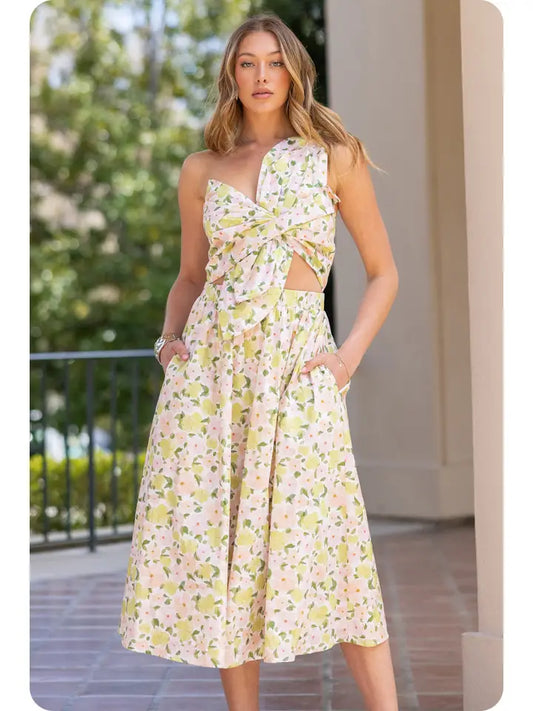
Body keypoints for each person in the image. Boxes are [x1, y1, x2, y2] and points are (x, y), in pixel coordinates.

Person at [118, 11, 399, 711]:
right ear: (231, 75)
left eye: (274, 62)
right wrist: (169, 343)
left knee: (338, 547)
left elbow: (383, 272)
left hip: (297, 370)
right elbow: (190, 277)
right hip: (212, 379)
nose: (262, 75)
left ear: (294, 72)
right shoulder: (201, 169)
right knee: (225, 553)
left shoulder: (333, 155)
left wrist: (344, 360)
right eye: (248, 63)